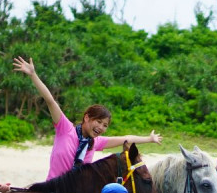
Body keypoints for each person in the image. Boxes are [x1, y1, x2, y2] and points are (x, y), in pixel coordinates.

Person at [13, 56, 163, 180]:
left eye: (105, 125)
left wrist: (149, 139)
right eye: (98, 122)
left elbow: (126, 138)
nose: (101, 127)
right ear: (87, 118)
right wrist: (33, 75)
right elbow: (50, 100)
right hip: (53, 190)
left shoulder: (96, 142)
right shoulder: (65, 129)